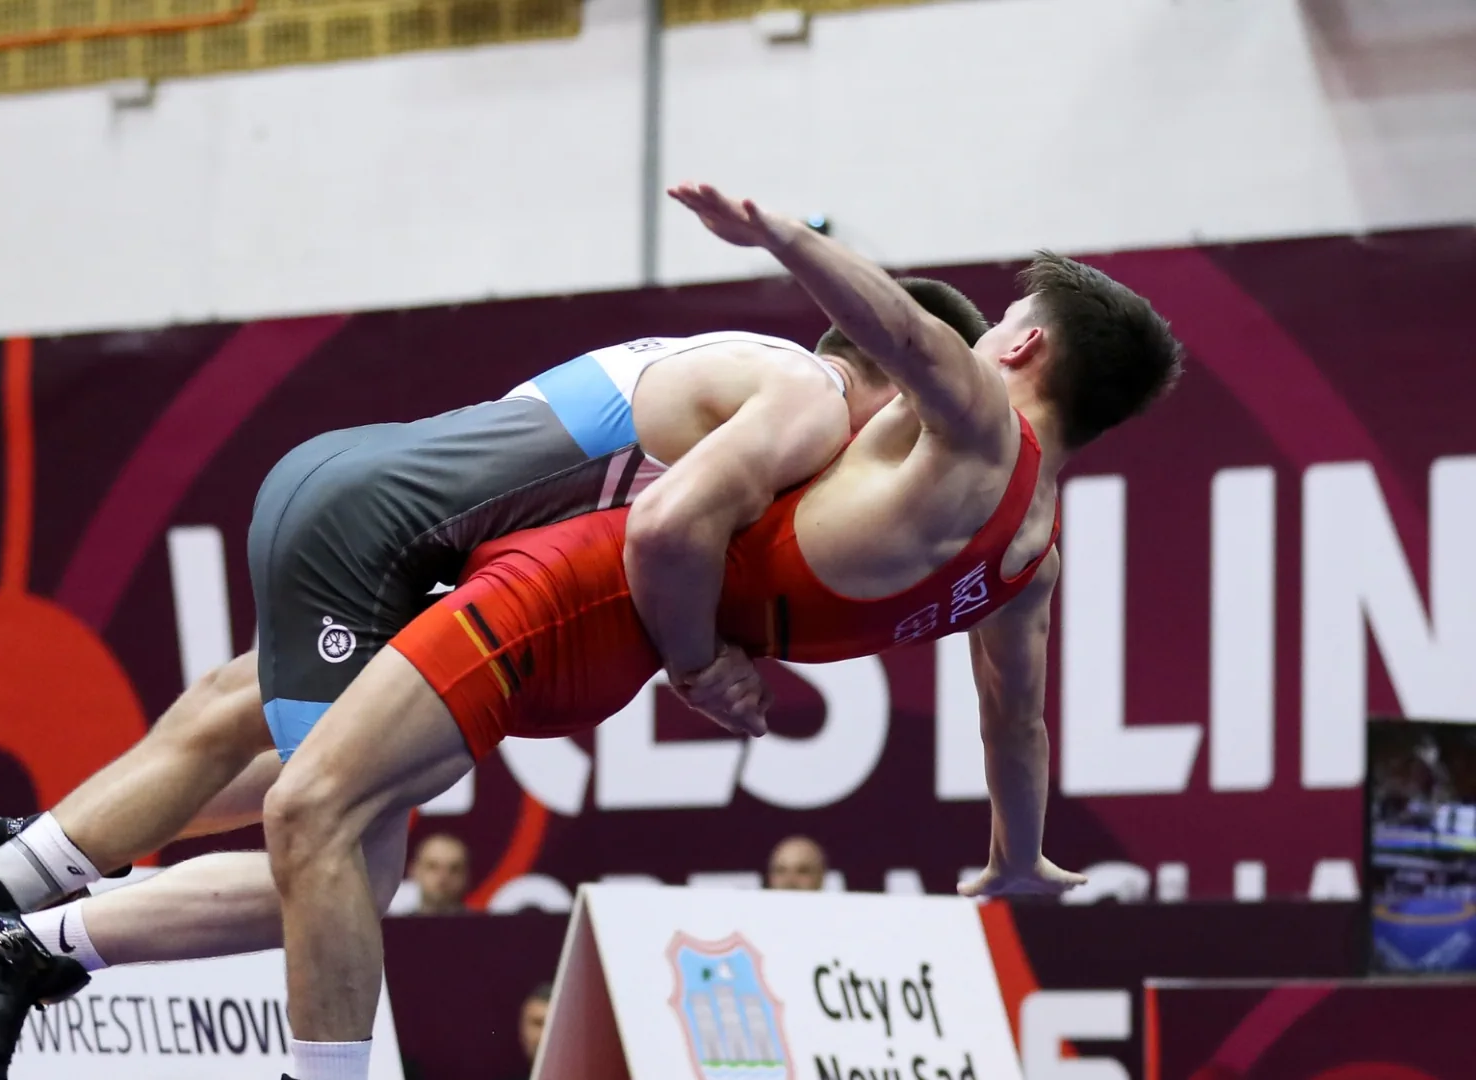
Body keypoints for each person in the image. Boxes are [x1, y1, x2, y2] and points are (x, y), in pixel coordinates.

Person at [0, 265, 1008, 1079]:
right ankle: (17, 915)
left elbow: (544, 477)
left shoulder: (716, 364)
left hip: (410, 532)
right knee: (334, 835)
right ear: (906, 385)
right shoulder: (806, 402)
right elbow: (661, 530)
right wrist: (696, 666)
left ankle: (18, 879)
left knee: (246, 726)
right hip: (394, 542)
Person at [249, 181, 1182, 1080]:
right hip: (614, 655)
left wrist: (785, 240)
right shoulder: (1032, 561)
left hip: (575, 595)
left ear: (1021, 349)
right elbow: (1014, 723)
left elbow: (900, 328)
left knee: (313, 808)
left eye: (1007, 317)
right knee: (297, 776)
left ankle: (103, 913)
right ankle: (92, 906)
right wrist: (1016, 857)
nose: (986, 333)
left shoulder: (977, 425)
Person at [406, 833, 471, 915]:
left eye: (454, 869)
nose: (443, 878)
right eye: (432, 867)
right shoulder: (393, 926)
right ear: (414, 871)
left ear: (466, 875)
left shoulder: (485, 926)